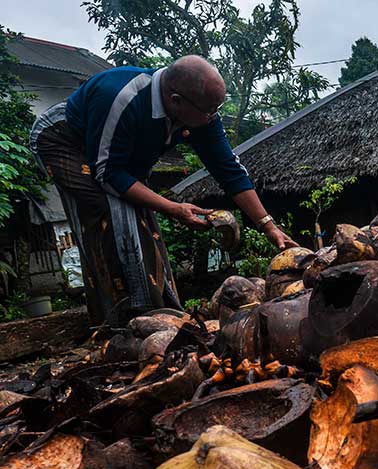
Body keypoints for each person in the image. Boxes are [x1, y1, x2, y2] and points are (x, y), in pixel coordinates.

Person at [30, 55, 297, 326]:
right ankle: (119, 321)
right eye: (208, 111)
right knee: (107, 213)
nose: (212, 117)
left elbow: (228, 169)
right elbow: (108, 174)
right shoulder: (121, 97)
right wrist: (173, 209)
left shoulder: (201, 112)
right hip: (63, 142)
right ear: (176, 100)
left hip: (116, 159)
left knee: (145, 221)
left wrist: (268, 226)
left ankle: (164, 313)